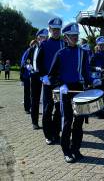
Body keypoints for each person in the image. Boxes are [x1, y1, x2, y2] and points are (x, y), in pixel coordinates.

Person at [48, 22, 91, 163]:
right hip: (66, 90)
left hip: (79, 88)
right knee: (67, 121)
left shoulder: (83, 53)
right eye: (72, 36)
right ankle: (66, 151)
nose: (75, 38)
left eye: (76, 36)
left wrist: (91, 81)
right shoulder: (60, 53)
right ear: (65, 37)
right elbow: (52, 75)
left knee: (78, 122)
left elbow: (85, 72)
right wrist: (61, 85)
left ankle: (76, 149)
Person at [36, 17, 64, 145]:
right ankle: (48, 135)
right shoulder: (44, 44)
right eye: (54, 29)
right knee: (48, 109)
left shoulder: (64, 44)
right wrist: (43, 76)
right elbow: (38, 62)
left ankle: (56, 133)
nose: (56, 31)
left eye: (58, 29)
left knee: (59, 109)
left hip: (60, 82)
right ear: (50, 29)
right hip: (48, 82)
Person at [27, 29, 49, 129]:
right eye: (42, 37)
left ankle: (47, 123)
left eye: (45, 37)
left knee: (47, 100)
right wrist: (28, 65)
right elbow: (26, 60)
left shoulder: (47, 48)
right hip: (35, 76)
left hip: (45, 76)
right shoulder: (32, 49)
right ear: (38, 38)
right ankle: (34, 122)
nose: (44, 39)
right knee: (34, 99)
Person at [90, 36, 104, 119]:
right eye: (100, 45)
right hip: (98, 78)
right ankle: (98, 112)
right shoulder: (94, 55)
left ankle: (102, 111)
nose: (102, 46)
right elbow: (89, 66)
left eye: (103, 45)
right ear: (97, 45)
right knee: (98, 95)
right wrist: (96, 68)